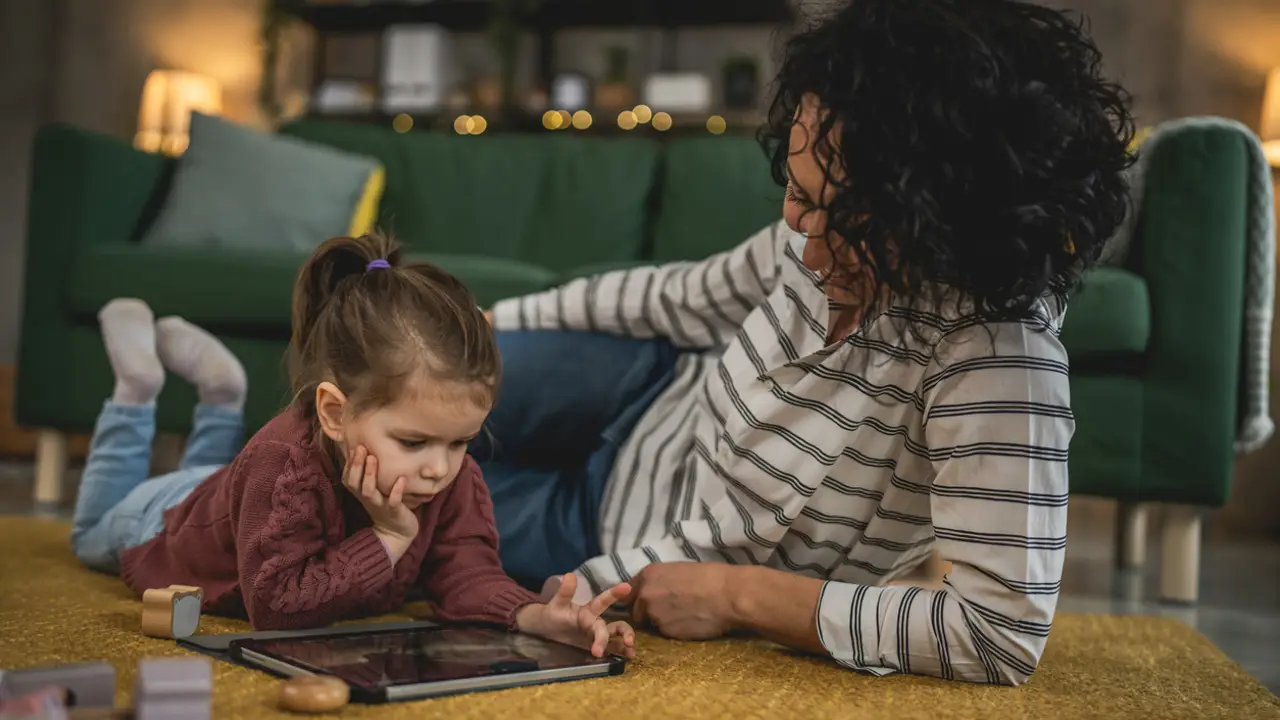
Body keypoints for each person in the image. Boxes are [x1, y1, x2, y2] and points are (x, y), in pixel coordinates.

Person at [475, 0, 1134, 685]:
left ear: (938, 224)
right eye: (797, 192)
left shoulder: (996, 356)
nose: (800, 236)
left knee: (397, 498)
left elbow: (996, 633)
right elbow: (681, 297)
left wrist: (738, 596)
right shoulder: (819, 207)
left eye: (840, 221)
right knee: (401, 388)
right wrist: (500, 319)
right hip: (646, 385)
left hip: (616, 531)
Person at [68, 233, 637, 660]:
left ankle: (222, 395)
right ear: (335, 413)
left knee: (226, 480)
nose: (440, 468)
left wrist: (536, 615)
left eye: (461, 441)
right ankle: (135, 393)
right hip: (167, 521)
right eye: (413, 442)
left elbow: (466, 573)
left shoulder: (447, 474)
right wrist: (388, 536)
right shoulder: (281, 463)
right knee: (90, 531)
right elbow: (277, 608)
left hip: (238, 499)